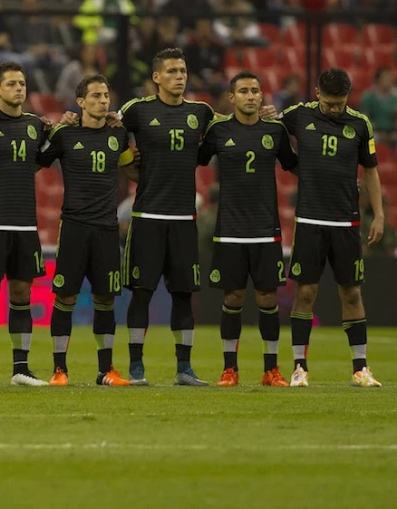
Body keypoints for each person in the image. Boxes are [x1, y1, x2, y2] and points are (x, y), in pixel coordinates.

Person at [280, 69, 383, 387]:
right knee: (306, 292)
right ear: (316, 93)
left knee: (351, 292)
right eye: (328, 104)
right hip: (310, 219)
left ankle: (360, 369)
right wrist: (294, 163)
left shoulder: (360, 124)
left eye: (340, 104)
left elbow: (371, 170)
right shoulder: (298, 116)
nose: (335, 109)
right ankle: (299, 367)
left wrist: (378, 214)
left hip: (347, 219)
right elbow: (267, 131)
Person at [120, 48, 215, 386]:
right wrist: (128, 166)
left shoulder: (201, 113)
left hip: (183, 219)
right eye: (172, 71)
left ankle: (184, 369)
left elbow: (226, 137)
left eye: (183, 70)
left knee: (182, 294)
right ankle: (135, 367)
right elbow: (107, 134)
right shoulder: (137, 110)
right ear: (156, 77)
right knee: (141, 293)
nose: (180, 76)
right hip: (146, 217)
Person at [37, 74, 138, 387]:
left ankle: (105, 370)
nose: (103, 101)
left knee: (105, 299)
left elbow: (128, 168)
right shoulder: (65, 135)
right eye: (95, 96)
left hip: (107, 229)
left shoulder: (118, 136)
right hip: (75, 228)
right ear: (80, 102)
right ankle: (59, 370)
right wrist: (48, 130)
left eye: (106, 95)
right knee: (65, 297)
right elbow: (37, 160)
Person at [197, 71, 297, 387]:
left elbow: (293, 164)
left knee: (268, 299)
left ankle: (271, 369)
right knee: (234, 297)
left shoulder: (275, 130)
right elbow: (196, 157)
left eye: (256, 90)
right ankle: (230, 369)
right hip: (229, 230)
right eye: (244, 91)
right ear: (232, 98)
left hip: (266, 229)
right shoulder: (218, 130)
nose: (251, 96)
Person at [0, 61, 49, 386]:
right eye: (12, 83)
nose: (19, 88)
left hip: (25, 223)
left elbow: (51, 150)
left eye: (22, 83)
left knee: (21, 291)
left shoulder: (36, 125)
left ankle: (20, 369)